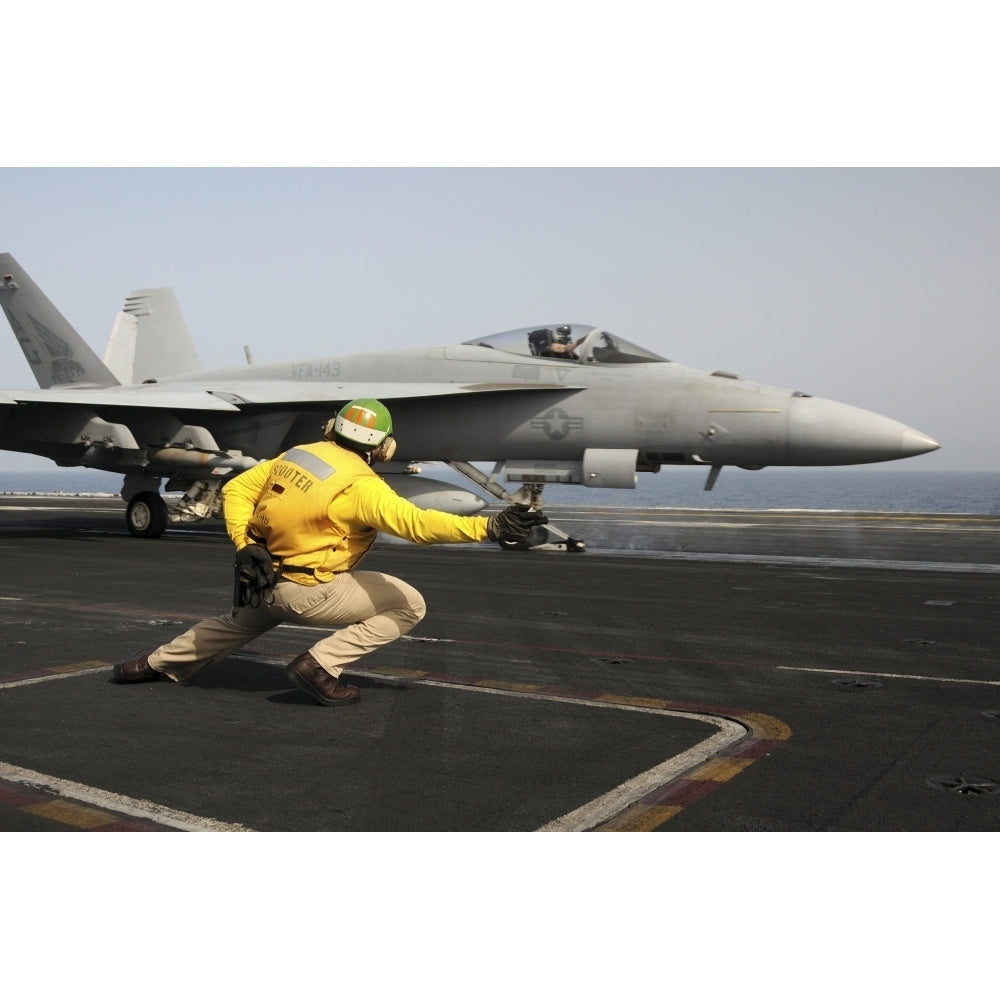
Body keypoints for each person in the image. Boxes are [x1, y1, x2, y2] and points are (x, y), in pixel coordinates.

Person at [111, 398, 547, 707]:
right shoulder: (361, 485)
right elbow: (417, 524)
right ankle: (319, 667)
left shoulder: (297, 454)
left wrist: (246, 546)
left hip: (260, 581)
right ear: (385, 447)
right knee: (408, 604)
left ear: (330, 428)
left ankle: (147, 665)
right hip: (308, 590)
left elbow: (239, 486)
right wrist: (490, 525)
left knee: (236, 625)